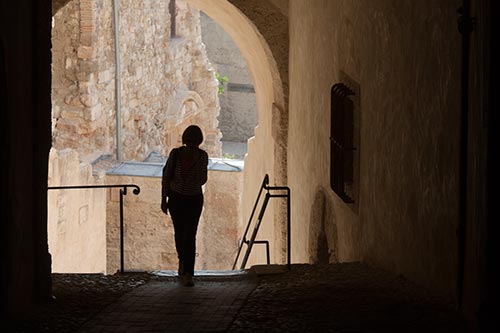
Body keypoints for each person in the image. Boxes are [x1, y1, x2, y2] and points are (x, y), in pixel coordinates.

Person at [161, 125, 208, 287]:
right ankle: (182, 259)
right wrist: (163, 198)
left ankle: (189, 272)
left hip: (193, 199)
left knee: (190, 235)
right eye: (190, 140)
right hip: (176, 198)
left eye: (194, 141)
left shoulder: (202, 156)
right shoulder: (175, 154)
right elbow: (166, 176)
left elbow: (202, 179)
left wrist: (194, 165)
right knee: (180, 234)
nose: (191, 143)